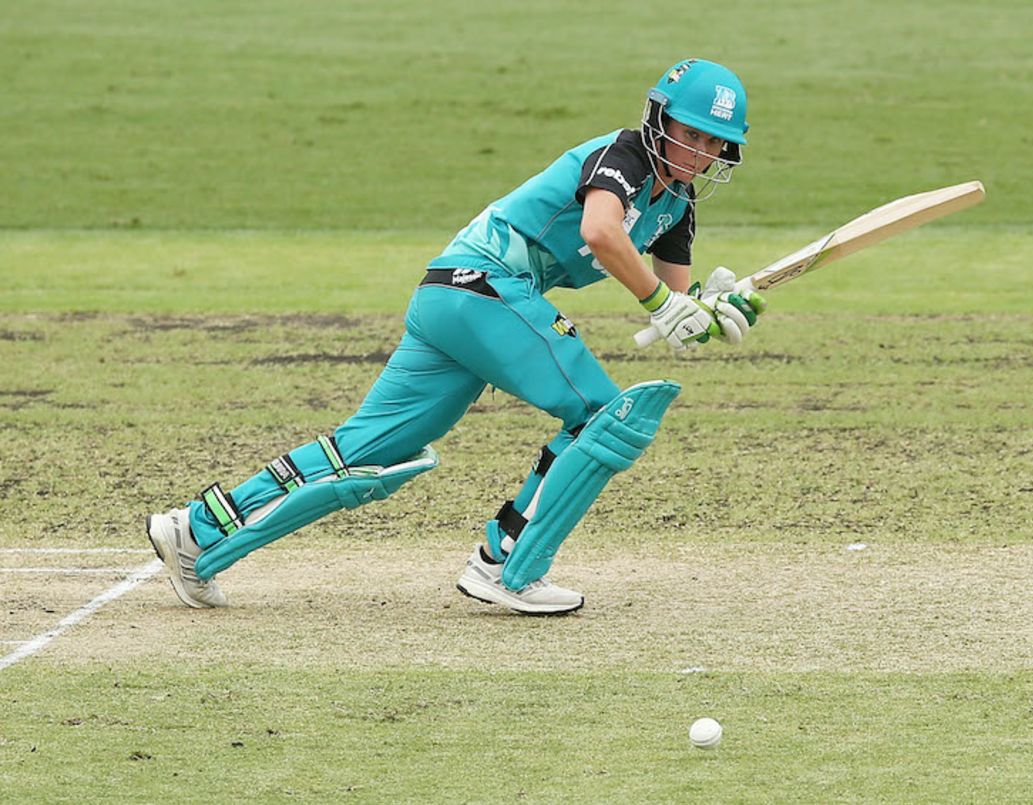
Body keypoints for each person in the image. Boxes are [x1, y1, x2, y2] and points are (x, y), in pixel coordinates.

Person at [145, 58, 764, 615]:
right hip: (484, 287)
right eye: (690, 134)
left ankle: (197, 533)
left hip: (457, 299)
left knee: (369, 449)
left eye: (714, 143)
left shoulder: (677, 205)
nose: (698, 153)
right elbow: (604, 233)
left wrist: (709, 309)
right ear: (659, 121)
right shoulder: (622, 157)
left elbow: (675, 305)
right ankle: (506, 565)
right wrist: (662, 305)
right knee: (603, 417)